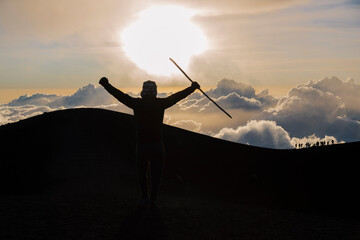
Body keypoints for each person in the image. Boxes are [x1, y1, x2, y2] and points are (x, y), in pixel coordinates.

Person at [99, 77, 200, 207]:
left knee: (142, 173)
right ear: (155, 92)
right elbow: (177, 96)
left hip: (142, 145)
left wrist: (106, 85)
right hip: (157, 145)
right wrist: (192, 88)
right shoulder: (160, 104)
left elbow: (119, 95)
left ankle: (144, 197)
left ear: (143, 91)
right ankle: (153, 199)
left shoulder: (137, 104)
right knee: (156, 174)